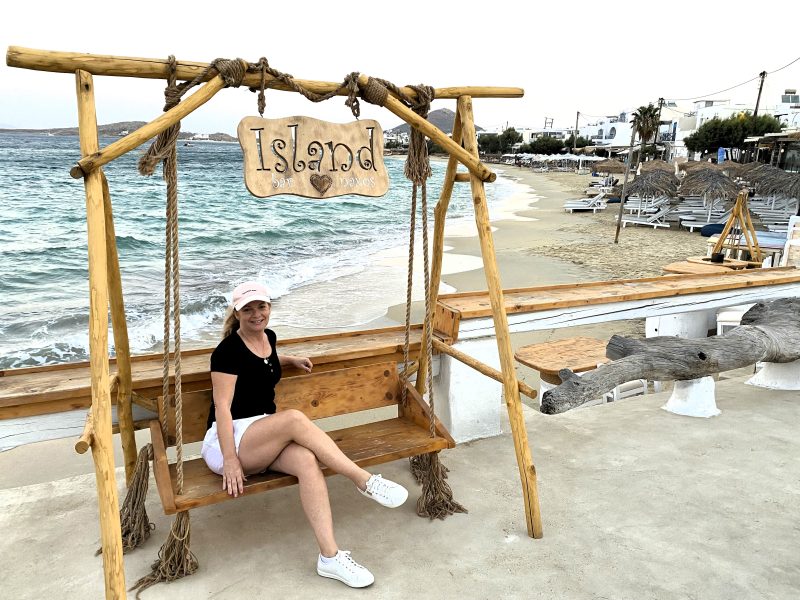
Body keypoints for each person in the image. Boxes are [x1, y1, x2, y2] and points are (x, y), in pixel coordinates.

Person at [201, 281, 408, 588]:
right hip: (228, 439)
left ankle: (330, 558)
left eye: (262, 306)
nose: (257, 314)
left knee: (307, 461)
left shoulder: (268, 338)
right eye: (248, 309)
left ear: (269, 308)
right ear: (237, 312)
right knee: (295, 419)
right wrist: (230, 460)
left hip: (262, 434)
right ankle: (363, 480)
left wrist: (289, 361)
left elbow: (265, 360)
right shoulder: (226, 352)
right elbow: (221, 409)